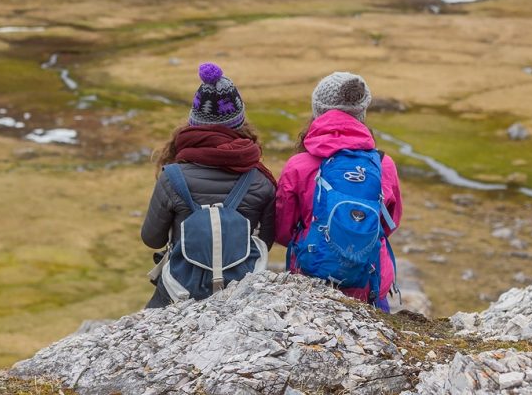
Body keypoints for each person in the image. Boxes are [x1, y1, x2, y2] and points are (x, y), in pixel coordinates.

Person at [140, 62, 277, 308]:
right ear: (240, 121)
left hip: (178, 290)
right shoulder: (261, 180)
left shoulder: (172, 177)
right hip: (240, 294)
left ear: (194, 122)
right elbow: (264, 243)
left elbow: (152, 238)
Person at [275, 71, 403, 311]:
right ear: (362, 113)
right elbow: (388, 224)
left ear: (317, 112)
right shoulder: (384, 164)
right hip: (369, 284)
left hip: (310, 280)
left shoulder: (298, 166)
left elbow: (283, 231)